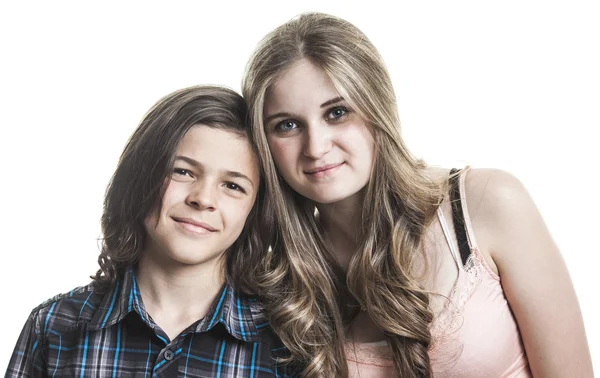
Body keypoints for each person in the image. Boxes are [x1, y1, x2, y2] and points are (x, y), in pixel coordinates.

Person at [242, 12, 594, 377]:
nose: (315, 147)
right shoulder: (283, 284)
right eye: (287, 125)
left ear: (378, 108)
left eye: (337, 112)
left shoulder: (484, 205)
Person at [5, 86, 297, 377]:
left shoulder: (286, 345)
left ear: (256, 210)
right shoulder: (55, 327)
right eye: (182, 171)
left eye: (233, 186)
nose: (203, 199)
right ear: (140, 177)